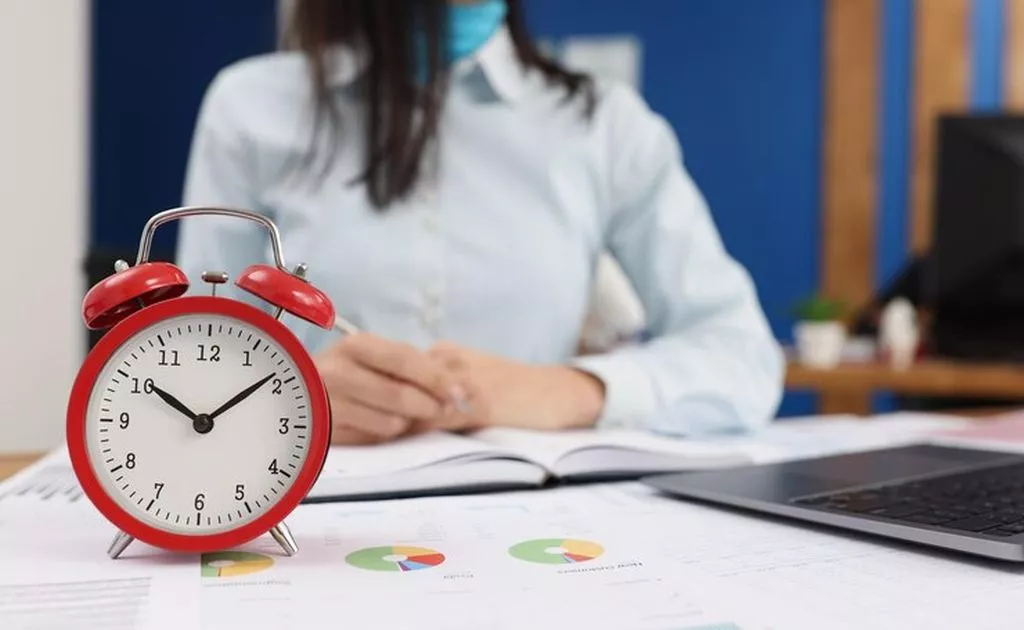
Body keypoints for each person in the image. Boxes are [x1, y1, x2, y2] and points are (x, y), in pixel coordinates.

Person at [176, 0, 784, 445]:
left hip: (536, 538)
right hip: (306, 525)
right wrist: (290, 398)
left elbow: (742, 360)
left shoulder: (605, 124)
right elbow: (187, 373)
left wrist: (573, 391)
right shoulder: (249, 108)